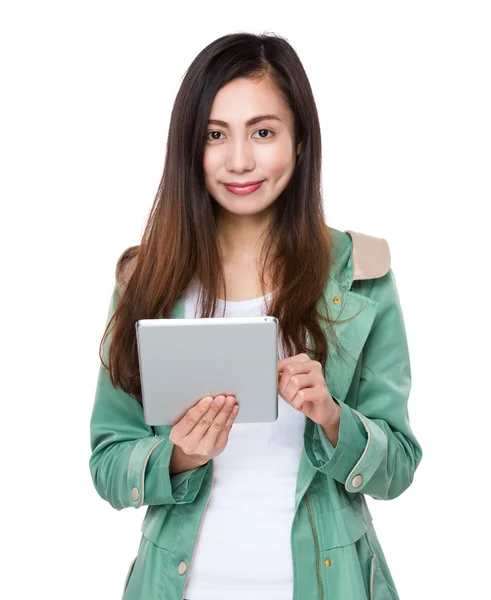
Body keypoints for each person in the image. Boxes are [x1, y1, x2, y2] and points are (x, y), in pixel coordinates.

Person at [89, 32, 423, 600]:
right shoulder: (147, 279)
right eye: (215, 135)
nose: (239, 159)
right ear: (189, 146)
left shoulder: (359, 274)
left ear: (300, 141)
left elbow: (400, 467)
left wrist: (334, 418)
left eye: (263, 132)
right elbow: (108, 462)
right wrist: (179, 455)